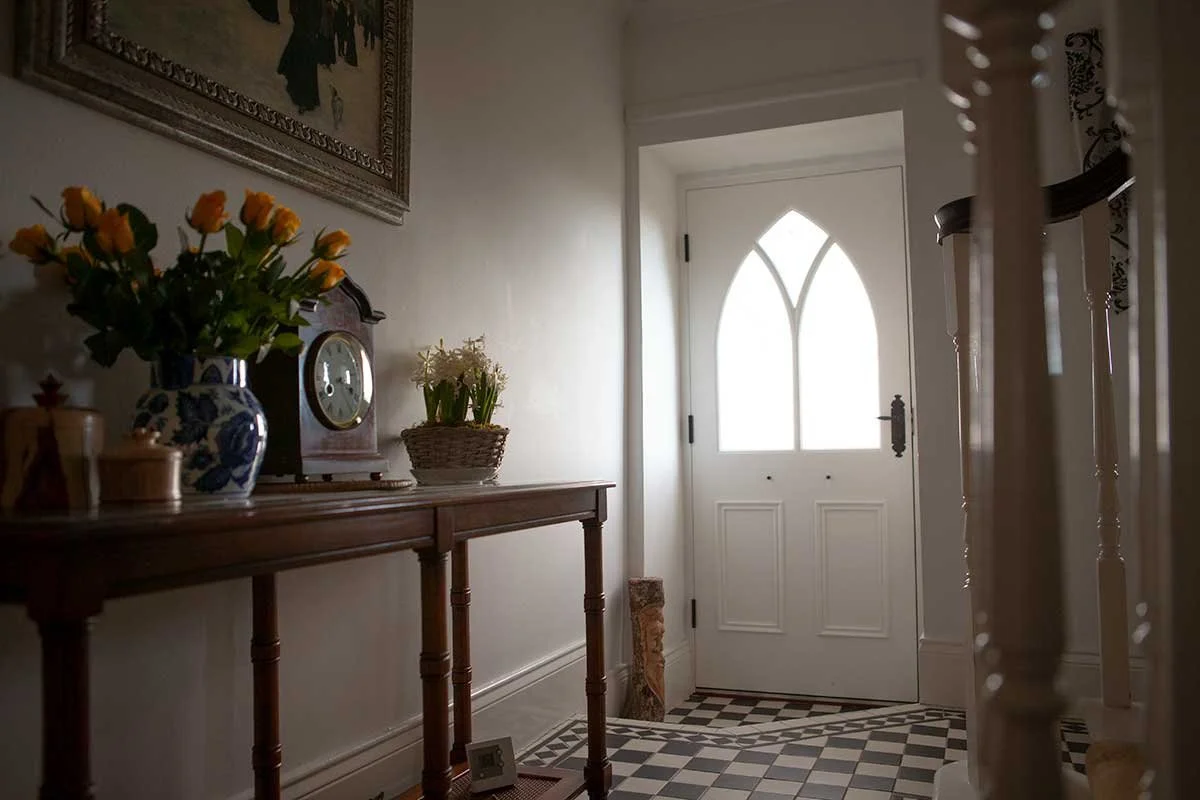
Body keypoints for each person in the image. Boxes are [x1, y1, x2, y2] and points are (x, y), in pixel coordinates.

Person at [276, 0, 321, 112]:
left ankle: (304, 100)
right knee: (302, 65)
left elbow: (314, 15)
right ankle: (302, 98)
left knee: (305, 67)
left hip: (306, 34)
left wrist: (310, 31)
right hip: (304, 33)